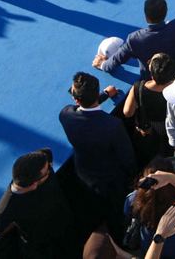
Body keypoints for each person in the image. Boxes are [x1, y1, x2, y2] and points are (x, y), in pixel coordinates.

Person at [59, 72, 137, 238]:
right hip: (112, 180)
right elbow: (127, 157)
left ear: (76, 99)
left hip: (84, 175)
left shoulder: (66, 115)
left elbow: (83, 110)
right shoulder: (112, 125)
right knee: (118, 213)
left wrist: (104, 96)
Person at [0, 148, 74, 258]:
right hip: (42, 245)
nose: (50, 166)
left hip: (66, 222)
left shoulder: (42, 161)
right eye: (48, 169)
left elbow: (46, 152)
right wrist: (12, 223)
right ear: (34, 185)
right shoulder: (8, 206)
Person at [96, 0, 175, 76]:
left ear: (146, 16)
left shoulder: (135, 39)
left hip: (155, 82)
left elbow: (117, 59)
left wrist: (103, 65)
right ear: (166, 12)